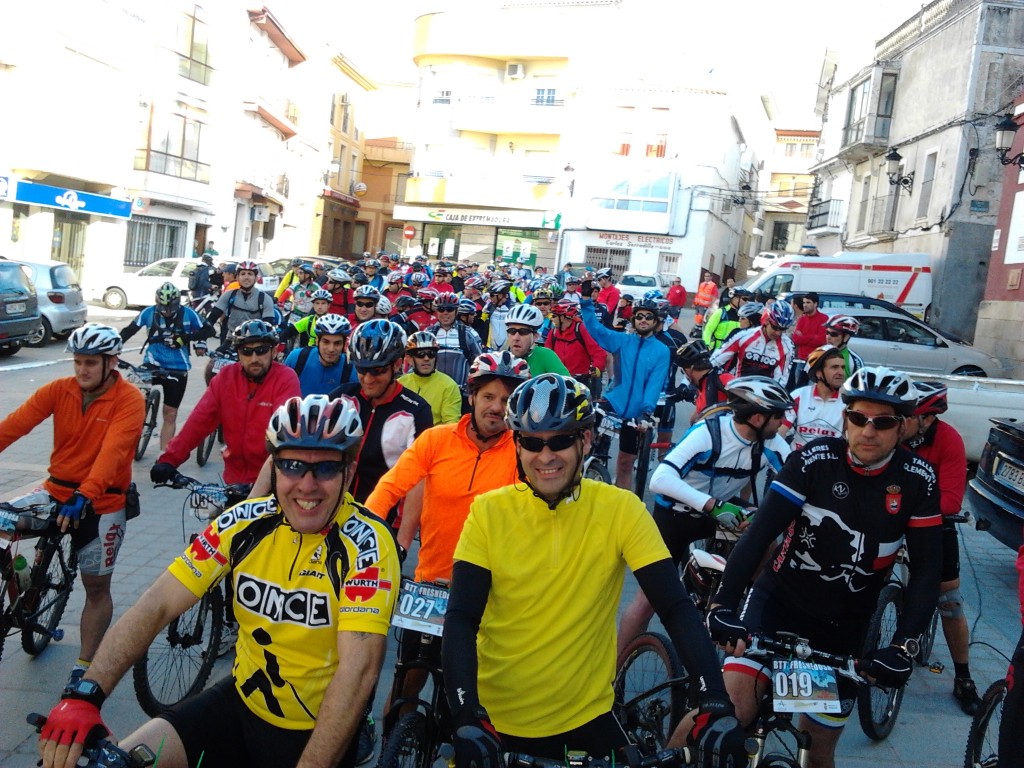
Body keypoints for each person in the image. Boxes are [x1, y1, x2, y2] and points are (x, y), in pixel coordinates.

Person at [38, 394, 400, 768]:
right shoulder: (243, 522)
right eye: (292, 465)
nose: (307, 485)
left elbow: (359, 670)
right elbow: (157, 603)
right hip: (240, 704)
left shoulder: (367, 544)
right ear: (273, 467)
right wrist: (86, 694)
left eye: (325, 468)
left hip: (316, 728)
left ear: (350, 472)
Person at [442, 374, 748, 768]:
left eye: (561, 440)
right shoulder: (488, 512)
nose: (545, 455)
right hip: (495, 723)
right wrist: (466, 715)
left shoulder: (621, 509)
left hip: (586, 717)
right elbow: (462, 618)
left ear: (585, 439)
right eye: (532, 443)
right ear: (517, 447)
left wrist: (714, 700)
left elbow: (673, 606)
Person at [704, 366, 943, 768]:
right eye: (857, 418)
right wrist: (722, 605)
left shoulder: (917, 479)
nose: (868, 431)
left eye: (882, 422)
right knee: (727, 719)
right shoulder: (813, 461)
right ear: (844, 419)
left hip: (840, 631)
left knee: (815, 752)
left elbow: (926, 570)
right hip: (776, 606)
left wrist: (904, 646)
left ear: (902, 427)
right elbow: (759, 535)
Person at [365, 353, 529, 716]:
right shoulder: (437, 440)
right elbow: (391, 486)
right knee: (409, 675)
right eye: (489, 397)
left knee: (476, 685)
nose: (496, 408)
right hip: (432, 583)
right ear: (472, 397)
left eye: (506, 400)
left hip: (491, 588)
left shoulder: (521, 451)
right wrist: (368, 530)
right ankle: (393, 727)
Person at [0, 324, 143, 691]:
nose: (81, 370)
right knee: (3, 523)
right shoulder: (60, 390)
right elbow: (15, 425)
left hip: (103, 500)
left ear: (111, 362)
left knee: (96, 588)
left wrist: (87, 493)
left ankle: (84, 666)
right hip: (55, 490)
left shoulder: (129, 400)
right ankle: (25, 581)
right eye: (78, 362)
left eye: (90, 363)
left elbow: (114, 452)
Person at [617, 376, 792, 656]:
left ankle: (756, 620)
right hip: (676, 515)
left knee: (767, 551)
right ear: (758, 418)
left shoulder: (771, 444)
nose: (783, 422)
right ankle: (616, 673)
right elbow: (660, 479)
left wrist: (760, 515)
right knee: (648, 599)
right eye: (778, 415)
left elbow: (796, 484)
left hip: (721, 509)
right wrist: (712, 505)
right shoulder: (708, 433)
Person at [902, 381, 981, 714]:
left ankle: (963, 677)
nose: (901, 419)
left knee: (948, 601)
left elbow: (950, 498)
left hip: (934, 521)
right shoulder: (893, 432)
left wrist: (910, 507)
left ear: (929, 418)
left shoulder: (948, 439)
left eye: (910, 415)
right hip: (890, 514)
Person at [152, 320, 300, 489]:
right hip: (234, 482)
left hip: (274, 481)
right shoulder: (225, 378)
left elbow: (285, 431)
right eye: (246, 351)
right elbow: (199, 421)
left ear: (273, 352)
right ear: (238, 353)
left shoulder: (286, 378)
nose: (254, 358)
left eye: (261, 350)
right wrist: (169, 460)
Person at [329, 319, 433, 508]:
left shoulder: (416, 410)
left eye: (378, 371)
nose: (368, 379)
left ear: (397, 365)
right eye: (361, 369)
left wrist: (402, 535)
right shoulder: (341, 397)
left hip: (383, 514)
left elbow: (418, 480)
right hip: (333, 507)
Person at [580, 286, 669, 491]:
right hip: (612, 402)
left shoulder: (661, 351)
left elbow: (655, 384)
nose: (643, 320)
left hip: (637, 412)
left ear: (655, 322)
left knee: (625, 463)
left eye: (648, 317)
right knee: (584, 444)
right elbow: (595, 328)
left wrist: (647, 412)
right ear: (633, 321)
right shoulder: (622, 341)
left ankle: (624, 506)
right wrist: (586, 301)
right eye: (639, 317)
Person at [118, 282, 209, 449]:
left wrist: (184, 338)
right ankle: (138, 416)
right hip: (152, 363)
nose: (167, 311)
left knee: (170, 413)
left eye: (171, 308)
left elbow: (209, 331)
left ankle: (163, 456)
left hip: (178, 368)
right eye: (163, 307)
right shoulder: (148, 312)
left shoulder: (189, 314)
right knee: (132, 394)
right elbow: (127, 331)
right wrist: (113, 349)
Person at [710, 300, 795, 385]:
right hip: (738, 389)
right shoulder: (744, 336)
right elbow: (716, 359)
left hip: (764, 394)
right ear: (766, 320)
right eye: (775, 328)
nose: (778, 333)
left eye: (783, 330)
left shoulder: (788, 346)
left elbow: (781, 380)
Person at [778, 344, 846, 448]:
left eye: (843, 367)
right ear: (818, 373)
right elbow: (780, 432)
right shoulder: (799, 396)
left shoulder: (846, 402)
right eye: (834, 367)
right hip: (798, 459)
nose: (841, 372)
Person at [203, 259, 277, 351]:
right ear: (237, 277)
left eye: (250, 274)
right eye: (243, 274)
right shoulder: (229, 295)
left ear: (256, 278)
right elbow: (211, 319)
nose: (246, 277)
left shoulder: (265, 299)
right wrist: (201, 341)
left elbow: (268, 327)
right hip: (231, 341)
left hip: (255, 344)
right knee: (213, 363)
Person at [544, 298, 607, 397]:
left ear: (565, 317)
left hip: (579, 382)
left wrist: (597, 367)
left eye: (554, 316)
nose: (551, 319)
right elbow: (546, 355)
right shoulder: (554, 332)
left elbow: (599, 353)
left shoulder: (581, 329)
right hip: (558, 381)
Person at [426, 291, 485, 396]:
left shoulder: (468, 333)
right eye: (441, 309)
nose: (445, 313)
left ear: (456, 311)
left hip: (461, 394)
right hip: (433, 393)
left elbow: (481, 362)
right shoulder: (428, 333)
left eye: (449, 309)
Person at [284, 314, 356, 397]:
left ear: (344, 344)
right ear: (317, 341)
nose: (331, 349)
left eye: (337, 343)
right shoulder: (297, 357)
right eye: (326, 342)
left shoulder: (351, 369)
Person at [398, 331, 462, 425]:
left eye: (431, 354)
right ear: (410, 359)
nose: (426, 358)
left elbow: (450, 425)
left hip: (434, 438)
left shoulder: (449, 385)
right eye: (420, 354)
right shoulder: (400, 384)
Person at [673, 340, 733, 423]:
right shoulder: (702, 382)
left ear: (690, 369)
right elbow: (695, 417)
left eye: (683, 371)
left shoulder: (722, 378)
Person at [504, 303, 570, 377]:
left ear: (535, 336)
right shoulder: (503, 359)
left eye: (523, 332)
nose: (516, 338)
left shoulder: (545, 355)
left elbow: (569, 386)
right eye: (512, 331)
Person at [789, 292, 829, 389]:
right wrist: (813, 336)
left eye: (808, 302)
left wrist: (804, 336)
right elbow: (795, 339)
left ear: (815, 304)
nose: (805, 305)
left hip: (816, 362)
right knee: (799, 389)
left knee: (813, 389)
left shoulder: (824, 318)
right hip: (801, 360)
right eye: (804, 302)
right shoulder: (802, 319)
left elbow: (822, 340)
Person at [702, 287, 750, 351]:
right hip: (717, 352)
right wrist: (706, 346)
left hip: (734, 353)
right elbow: (708, 330)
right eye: (745, 299)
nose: (747, 302)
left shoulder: (746, 316)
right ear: (735, 299)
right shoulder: (721, 312)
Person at [692, 271, 719, 336]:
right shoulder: (702, 284)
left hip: (706, 305)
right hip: (698, 304)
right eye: (705, 276)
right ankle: (697, 331)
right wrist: (694, 303)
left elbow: (715, 296)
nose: (706, 277)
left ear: (711, 277)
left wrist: (712, 306)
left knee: (701, 319)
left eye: (708, 276)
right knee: (697, 318)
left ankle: (700, 332)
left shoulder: (713, 285)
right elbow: (698, 294)